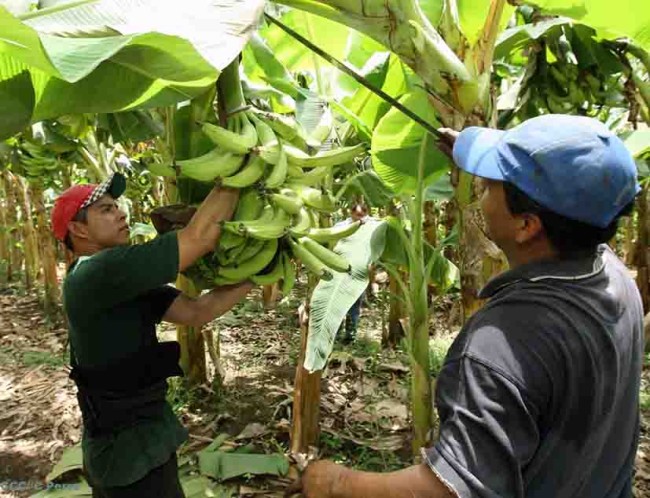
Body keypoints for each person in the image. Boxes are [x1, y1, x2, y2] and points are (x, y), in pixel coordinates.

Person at [289, 114, 644, 498]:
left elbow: (450, 491)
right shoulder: (615, 277)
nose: (479, 193)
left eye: (489, 186)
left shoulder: (503, 345)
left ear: (527, 225)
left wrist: (338, 484)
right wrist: (471, 151)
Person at [50, 173, 253, 498]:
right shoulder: (97, 273)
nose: (121, 213)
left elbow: (196, 312)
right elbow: (198, 239)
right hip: (126, 455)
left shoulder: (114, 280)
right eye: (105, 209)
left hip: (141, 441)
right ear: (79, 229)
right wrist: (240, 171)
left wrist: (257, 276)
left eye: (117, 206)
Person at [342, 203, 369, 343]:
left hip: (359, 271)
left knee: (354, 304)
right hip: (341, 269)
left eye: (362, 216)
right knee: (338, 303)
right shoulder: (341, 227)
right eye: (357, 215)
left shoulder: (369, 227)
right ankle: (334, 334)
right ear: (351, 213)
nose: (360, 218)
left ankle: (350, 335)